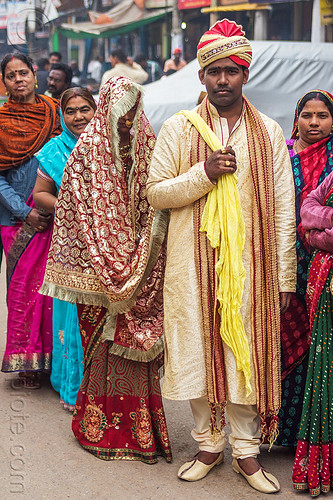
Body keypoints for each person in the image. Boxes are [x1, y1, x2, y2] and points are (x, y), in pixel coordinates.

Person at [147, 19, 296, 493]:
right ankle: (208, 444)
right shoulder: (177, 128)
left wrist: (285, 276)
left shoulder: (268, 132)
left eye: (232, 71)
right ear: (202, 76)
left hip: (251, 267)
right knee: (195, 350)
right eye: (214, 71)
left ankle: (247, 453)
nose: (223, 80)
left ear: (245, 75)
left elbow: (284, 209)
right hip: (190, 266)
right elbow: (155, 194)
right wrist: (203, 173)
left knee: (243, 354)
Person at [40, 76, 172, 463]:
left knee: (140, 357)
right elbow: (79, 215)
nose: (127, 121)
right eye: (119, 113)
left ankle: (143, 433)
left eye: (132, 112)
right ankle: (98, 430)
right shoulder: (84, 156)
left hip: (144, 272)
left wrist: (140, 262)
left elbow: (158, 205)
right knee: (103, 354)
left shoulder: (151, 151)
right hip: (100, 275)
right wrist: (117, 262)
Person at [33, 88, 96, 410]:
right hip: (70, 245)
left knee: (99, 316)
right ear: (62, 115)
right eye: (70, 111)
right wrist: (70, 206)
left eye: (85, 109)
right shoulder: (54, 151)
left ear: (95, 110)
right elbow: (40, 193)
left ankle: (100, 390)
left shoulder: (107, 147)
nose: (78, 117)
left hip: (104, 248)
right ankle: (71, 387)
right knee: (70, 314)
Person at [0, 52, 61, 388]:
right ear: (4, 81)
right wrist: (26, 212)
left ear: (35, 74)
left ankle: (53, 361)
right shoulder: (1, 120)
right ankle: (26, 361)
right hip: (16, 219)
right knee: (22, 292)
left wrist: (48, 207)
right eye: (11, 75)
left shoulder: (54, 112)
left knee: (51, 293)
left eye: (23, 72)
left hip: (52, 213)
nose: (19, 79)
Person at [276, 90, 333, 448]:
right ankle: (281, 429)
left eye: (322, 115)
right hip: (285, 262)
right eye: (307, 115)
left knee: (320, 346)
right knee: (284, 341)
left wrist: (314, 230)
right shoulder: (281, 154)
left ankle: (313, 432)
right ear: (296, 118)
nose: (314, 122)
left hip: (325, 268)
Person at [293, 165, 333, 496]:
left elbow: (313, 223)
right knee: (324, 374)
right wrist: (317, 231)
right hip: (324, 285)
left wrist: (317, 233)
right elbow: (308, 207)